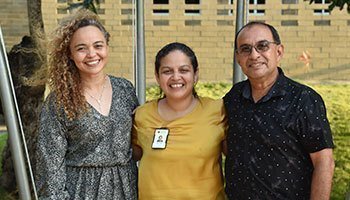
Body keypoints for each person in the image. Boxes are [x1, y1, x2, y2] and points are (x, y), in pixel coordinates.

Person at [223, 21, 335, 200]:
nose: (254, 55)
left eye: (262, 46)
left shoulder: (303, 99)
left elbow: (324, 162)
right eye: (245, 49)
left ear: (279, 51)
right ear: (238, 57)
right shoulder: (233, 98)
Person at [35, 9, 138, 199]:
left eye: (98, 45)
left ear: (107, 46)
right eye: (81, 48)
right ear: (70, 54)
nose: (92, 54)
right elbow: (49, 168)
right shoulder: (59, 101)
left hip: (127, 188)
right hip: (81, 192)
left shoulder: (125, 89)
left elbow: (139, 143)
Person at [132, 42, 227, 199]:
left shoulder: (217, 110)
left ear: (195, 75)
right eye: (167, 71)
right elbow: (131, 154)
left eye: (184, 70)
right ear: (157, 76)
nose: (176, 77)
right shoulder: (142, 115)